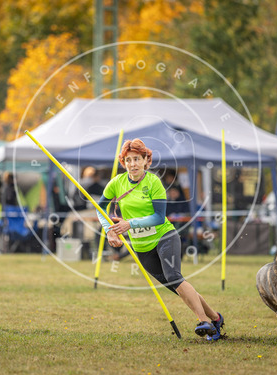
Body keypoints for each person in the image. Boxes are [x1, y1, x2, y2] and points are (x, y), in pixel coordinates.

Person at [96, 138, 225, 340]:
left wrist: (130, 224)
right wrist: (109, 230)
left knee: (174, 277)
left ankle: (204, 322)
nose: (133, 164)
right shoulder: (116, 183)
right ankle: (216, 318)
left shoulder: (154, 182)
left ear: (146, 160)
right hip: (142, 247)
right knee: (177, 286)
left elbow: (158, 217)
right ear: (123, 162)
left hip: (164, 236)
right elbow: (100, 208)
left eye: (137, 159)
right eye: (128, 160)